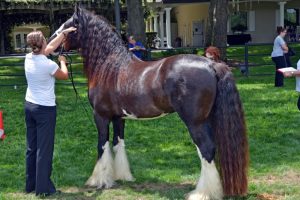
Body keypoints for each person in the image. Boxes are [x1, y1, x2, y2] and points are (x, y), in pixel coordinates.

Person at [24, 27, 76, 196]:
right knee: (44, 150)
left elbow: (50, 48)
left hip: (30, 106)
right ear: (41, 43)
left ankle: (31, 185)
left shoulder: (28, 57)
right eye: (46, 39)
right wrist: (62, 61)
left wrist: (64, 33)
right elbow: (64, 75)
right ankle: (43, 188)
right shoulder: (48, 64)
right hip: (45, 110)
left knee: (32, 147)